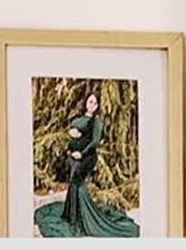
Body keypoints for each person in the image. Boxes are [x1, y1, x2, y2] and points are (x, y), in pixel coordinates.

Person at [34, 85, 139, 237]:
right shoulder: (80, 117)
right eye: (90, 102)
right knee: (73, 184)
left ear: (97, 106)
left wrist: (81, 154)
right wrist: (71, 142)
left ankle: (86, 219)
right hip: (73, 156)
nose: (92, 105)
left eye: (95, 103)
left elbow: (95, 141)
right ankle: (72, 215)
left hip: (86, 157)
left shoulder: (95, 121)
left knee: (79, 185)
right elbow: (72, 130)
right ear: (86, 103)